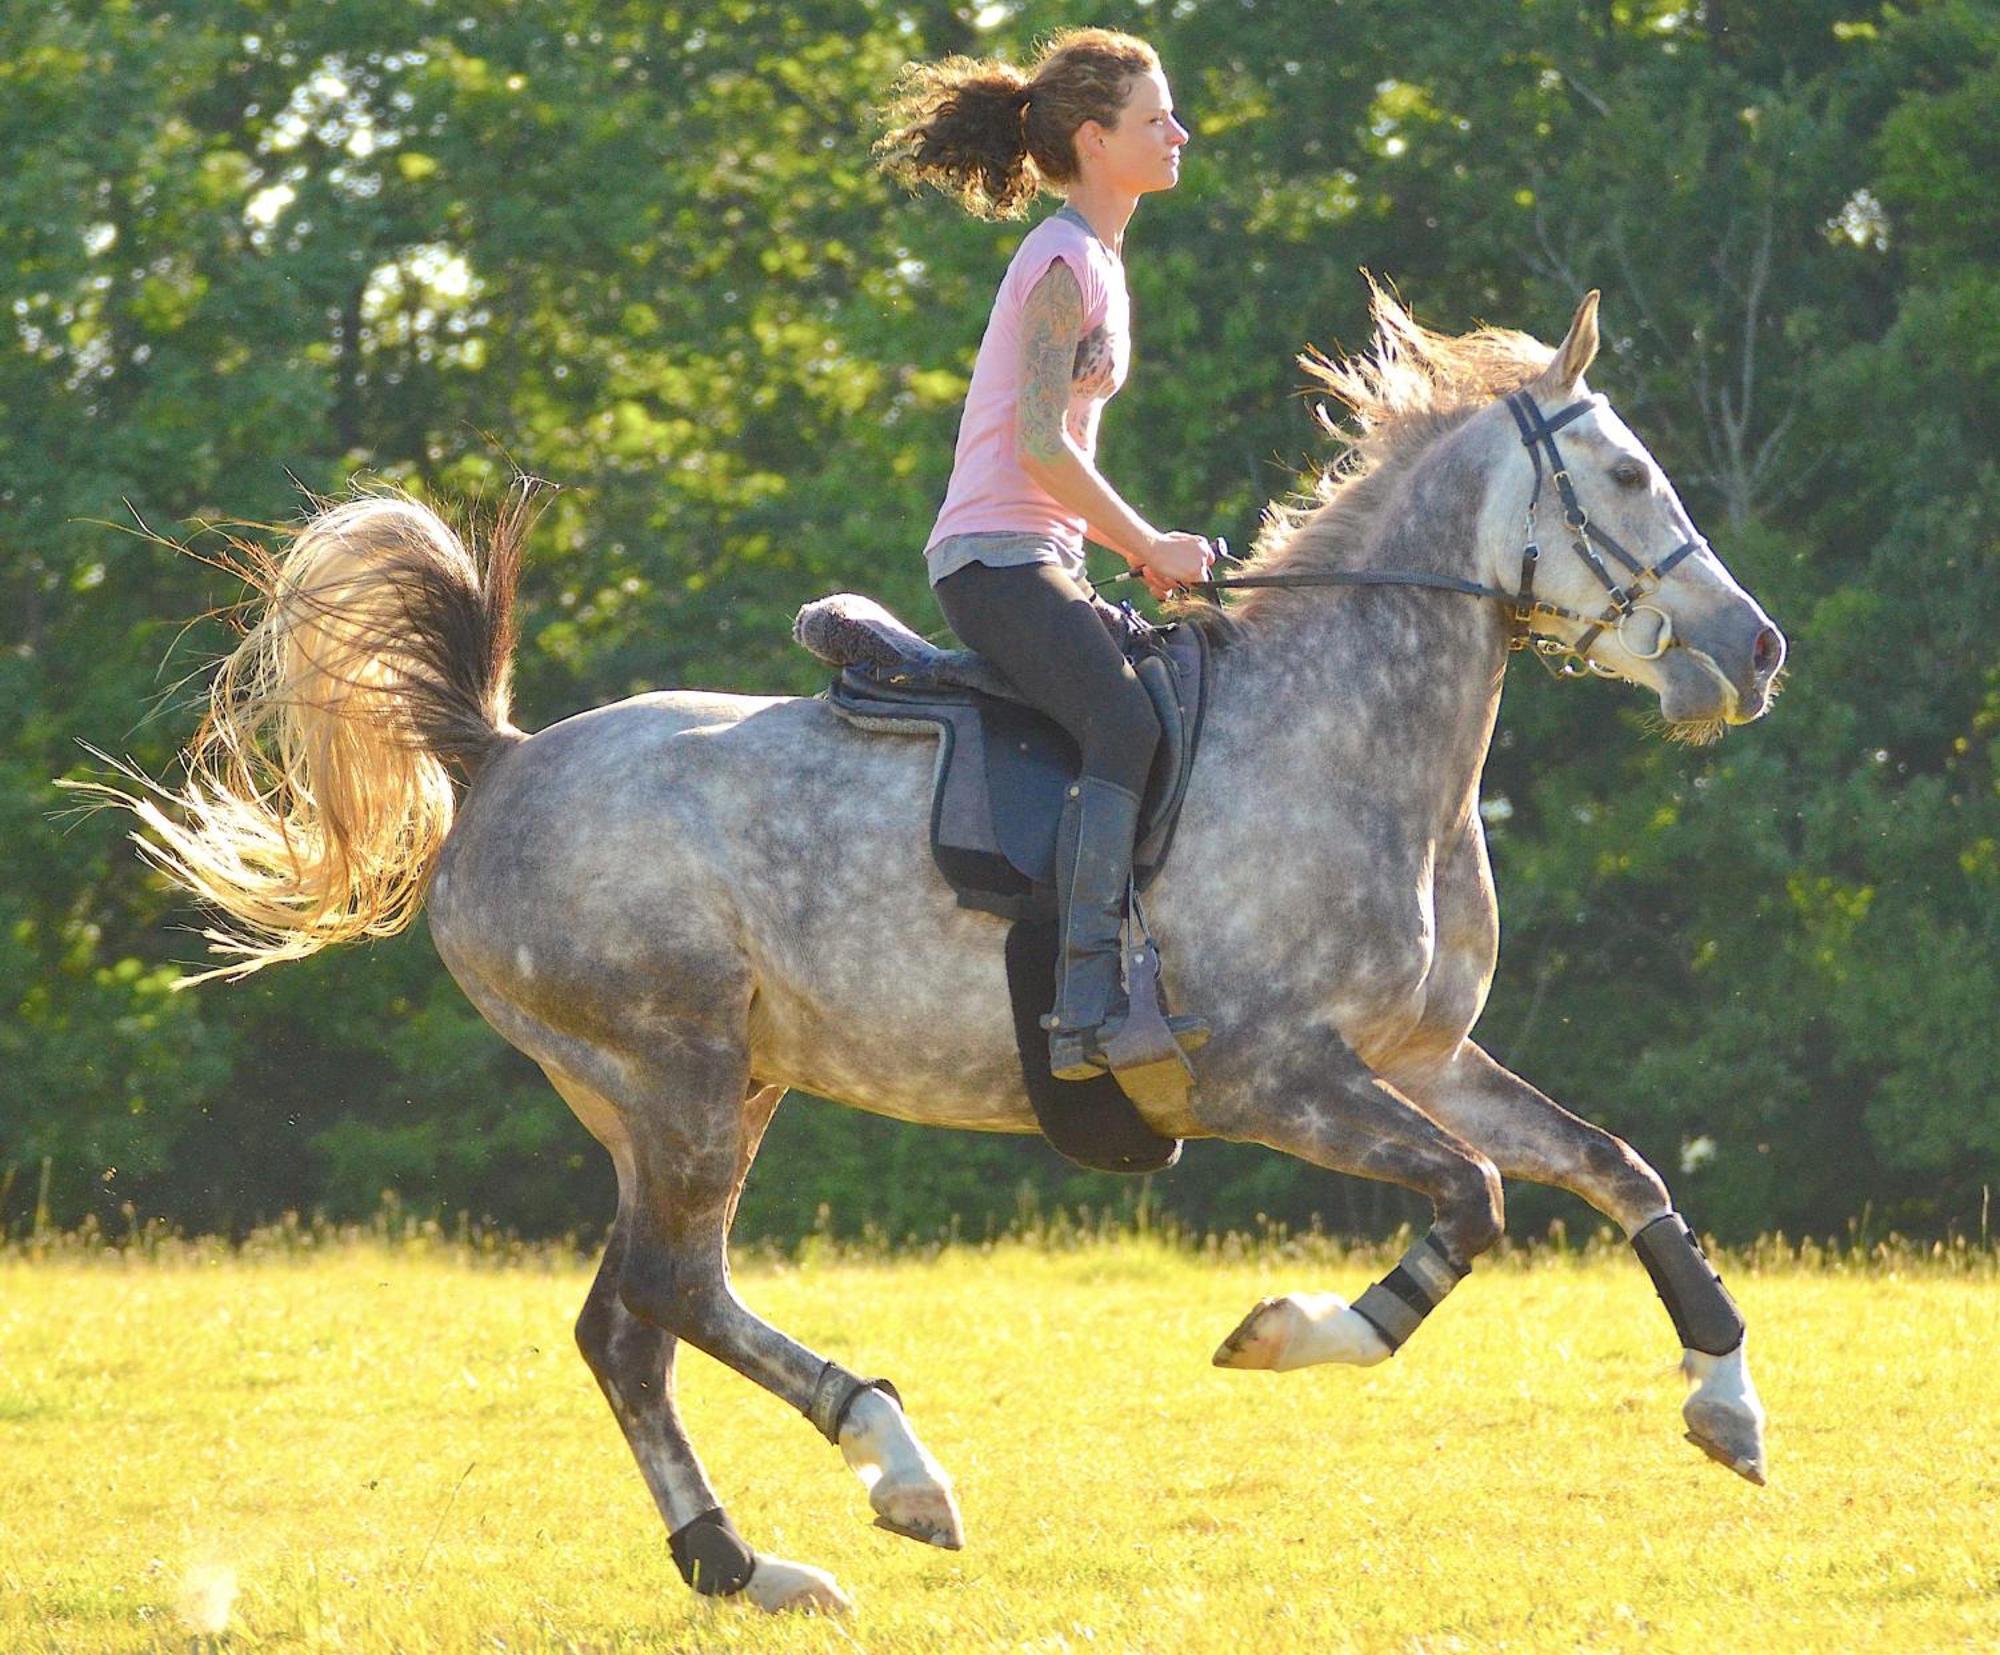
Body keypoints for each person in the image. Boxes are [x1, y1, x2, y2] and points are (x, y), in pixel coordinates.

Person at [876, 28, 1211, 1081]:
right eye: (1155, 118)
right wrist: (1147, 539)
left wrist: (1135, 551)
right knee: (1119, 717)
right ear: (1092, 138)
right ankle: (1082, 1008)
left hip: (1041, 554)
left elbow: (1055, 459)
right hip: (993, 560)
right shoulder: (1061, 259)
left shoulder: (1098, 259)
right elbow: (1034, 445)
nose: (1179, 133)